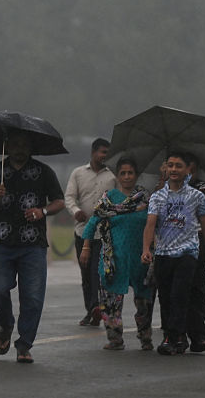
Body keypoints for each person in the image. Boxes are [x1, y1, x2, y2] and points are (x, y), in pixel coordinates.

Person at [0, 131, 65, 364]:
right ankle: (5, 324)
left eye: (24, 145)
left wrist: (42, 211)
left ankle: (24, 344)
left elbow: (59, 201)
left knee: (33, 298)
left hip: (33, 245)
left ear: (31, 147)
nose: (19, 149)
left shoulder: (44, 171)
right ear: (6, 145)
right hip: (2, 243)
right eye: (14, 144)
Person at [141, 151, 205, 356]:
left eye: (179, 166)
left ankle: (173, 337)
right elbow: (150, 224)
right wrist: (146, 249)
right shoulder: (158, 196)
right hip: (163, 254)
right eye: (171, 165)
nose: (174, 169)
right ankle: (175, 337)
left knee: (180, 295)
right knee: (166, 297)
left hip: (187, 253)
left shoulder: (197, 197)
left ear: (188, 170)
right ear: (166, 169)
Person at [79, 157, 153, 351]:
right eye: (123, 173)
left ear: (136, 175)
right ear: (117, 176)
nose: (127, 176)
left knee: (144, 299)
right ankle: (115, 338)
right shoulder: (108, 198)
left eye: (130, 173)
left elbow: (155, 223)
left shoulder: (146, 198)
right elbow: (93, 222)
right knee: (110, 299)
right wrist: (86, 247)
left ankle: (145, 337)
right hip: (114, 258)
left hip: (140, 257)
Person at [64, 137, 116, 326]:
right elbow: (69, 197)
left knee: (98, 272)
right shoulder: (78, 173)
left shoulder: (113, 176)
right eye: (102, 152)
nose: (105, 157)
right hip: (82, 231)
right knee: (86, 274)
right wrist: (76, 211)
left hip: (105, 234)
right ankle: (91, 310)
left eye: (107, 154)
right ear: (93, 153)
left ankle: (97, 307)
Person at [185, 155, 205, 352]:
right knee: (173, 294)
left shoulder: (202, 189)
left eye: (190, 171)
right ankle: (175, 335)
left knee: (197, 293)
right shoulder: (164, 189)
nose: (185, 173)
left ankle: (198, 337)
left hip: (196, 245)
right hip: (170, 246)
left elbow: (199, 218)